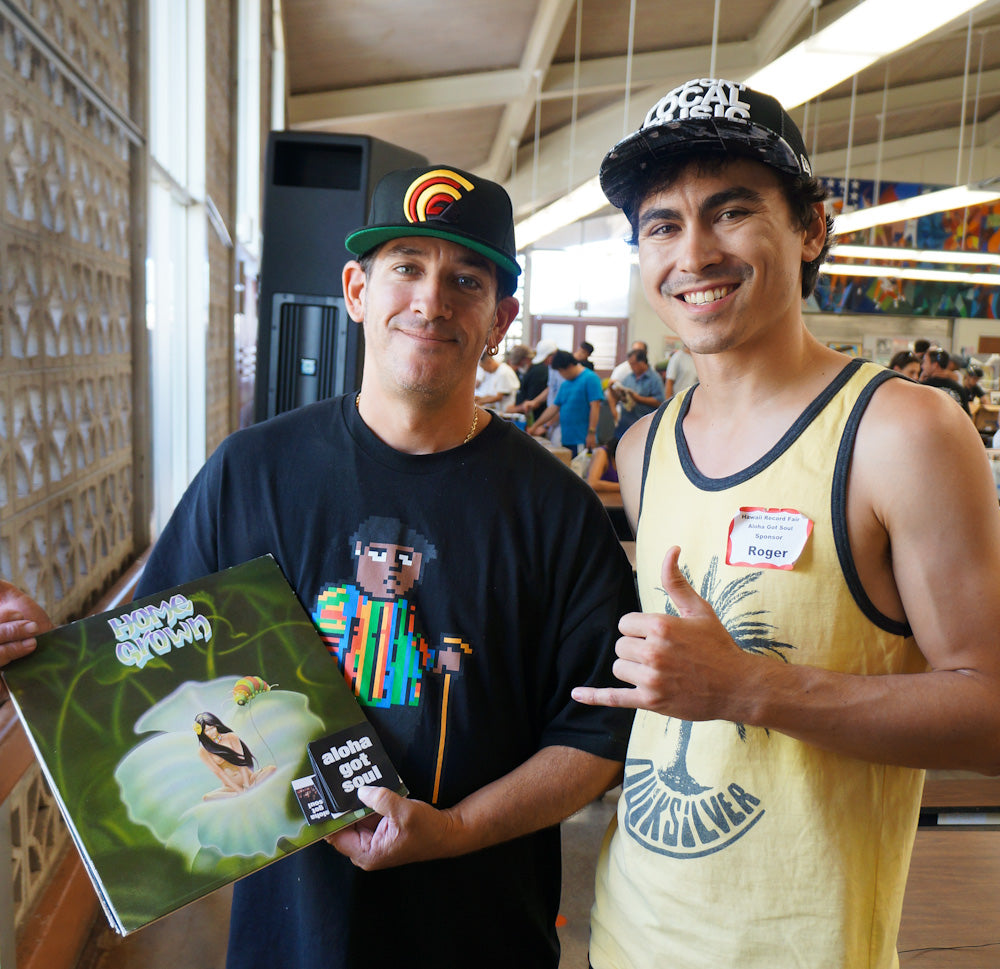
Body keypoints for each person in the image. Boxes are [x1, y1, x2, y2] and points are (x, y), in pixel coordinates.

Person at [0, 164, 639, 969]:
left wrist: (459, 829)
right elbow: (149, 661)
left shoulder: (558, 511)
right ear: (355, 288)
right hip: (293, 937)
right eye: (406, 266)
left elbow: (599, 731)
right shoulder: (252, 473)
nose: (431, 301)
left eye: (465, 278)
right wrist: (41, 655)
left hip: (481, 935)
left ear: (500, 316)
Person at [571, 77, 1000, 969]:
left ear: (811, 227)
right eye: (661, 223)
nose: (692, 253)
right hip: (626, 930)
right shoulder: (647, 446)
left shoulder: (903, 433)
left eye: (730, 212)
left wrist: (748, 688)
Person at [528, 349, 605, 456]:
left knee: (579, 469)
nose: (560, 375)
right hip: (567, 437)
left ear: (569, 366)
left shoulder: (590, 378)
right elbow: (553, 408)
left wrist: (591, 433)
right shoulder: (566, 384)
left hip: (582, 438)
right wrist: (535, 426)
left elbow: (595, 407)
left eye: (560, 371)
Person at [609, 347, 665, 438]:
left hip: (643, 426)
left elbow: (659, 401)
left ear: (642, 363)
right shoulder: (629, 377)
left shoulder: (655, 379)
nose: (631, 367)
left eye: (633, 364)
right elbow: (620, 397)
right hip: (625, 424)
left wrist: (637, 398)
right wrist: (614, 390)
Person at [920, 347, 971, 414]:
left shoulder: (923, 387)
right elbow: (967, 416)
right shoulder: (959, 389)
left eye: (925, 362)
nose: (922, 366)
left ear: (935, 365)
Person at [474, 347, 520, 413]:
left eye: (484, 368)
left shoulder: (504, 372)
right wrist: (479, 398)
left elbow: (498, 397)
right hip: (496, 410)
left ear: (489, 362)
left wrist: (480, 402)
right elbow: (491, 394)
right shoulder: (492, 372)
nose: (484, 370)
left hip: (505, 412)